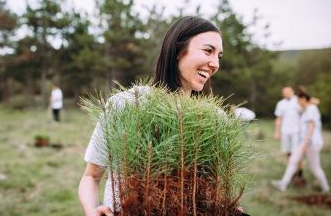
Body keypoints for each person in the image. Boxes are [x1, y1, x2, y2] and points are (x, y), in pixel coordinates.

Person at [78, 16, 233, 216]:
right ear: (178, 51)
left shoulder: (215, 119)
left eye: (219, 56)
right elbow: (91, 176)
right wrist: (92, 211)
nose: (215, 63)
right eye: (208, 51)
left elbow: (213, 191)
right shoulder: (126, 105)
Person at [271, 92, 330, 193]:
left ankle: (326, 188)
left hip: (311, 143)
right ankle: (283, 184)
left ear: (303, 99)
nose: (298, 103)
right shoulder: (307, 109)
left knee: (315, 167)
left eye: (299, 100)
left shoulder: (311, 109)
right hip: (305, 142)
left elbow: (311, 128)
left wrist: (305, 144)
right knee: (293, 161)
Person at [273, 86, 305, 185]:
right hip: (285, 131)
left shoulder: (298, 100)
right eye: (284, 92)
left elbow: (306, 110)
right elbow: (278, 118)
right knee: (288, 153)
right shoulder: (280, 103)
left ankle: (299, 174)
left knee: (297, 153)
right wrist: (277, 131)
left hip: (297, 132)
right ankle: (291, 174)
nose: (286, 93)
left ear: (292, 92)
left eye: (288, 91)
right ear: (283, 94)